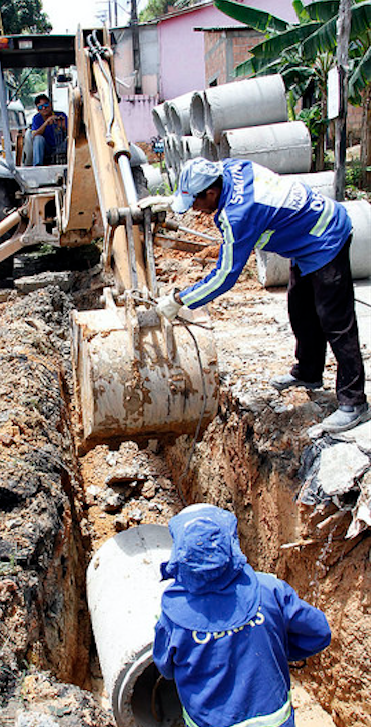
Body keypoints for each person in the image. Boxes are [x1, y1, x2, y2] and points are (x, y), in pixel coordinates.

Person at [156, 157, 370, 434]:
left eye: (195, 203)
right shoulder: (231, 168)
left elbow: (224, 276)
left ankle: (353, 403)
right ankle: (308, 372)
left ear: (211, 193)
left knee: (335, 321)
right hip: (304, 237)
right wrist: (167, 201)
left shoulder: (239, 214)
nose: (195, 211)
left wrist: (179, 300)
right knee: (301, 309)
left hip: (325, 237)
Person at [153, 503, 331, 727]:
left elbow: (166, 668)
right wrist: (278, 649)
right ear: (231, 544)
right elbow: (319, 633)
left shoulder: (174, 615)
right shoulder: (269, 589)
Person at [31, 94, 67, 166]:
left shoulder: (61, 114)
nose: (44, 108)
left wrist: (62, 125)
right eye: (41, 107)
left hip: (60, 146)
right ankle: (38, 165)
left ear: (50, 104)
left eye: (46, 105)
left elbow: (71, 132)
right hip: (46, 148)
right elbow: (34, 135)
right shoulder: (36, 118)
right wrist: (46, 123)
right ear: (38, 109)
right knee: (38, 138)